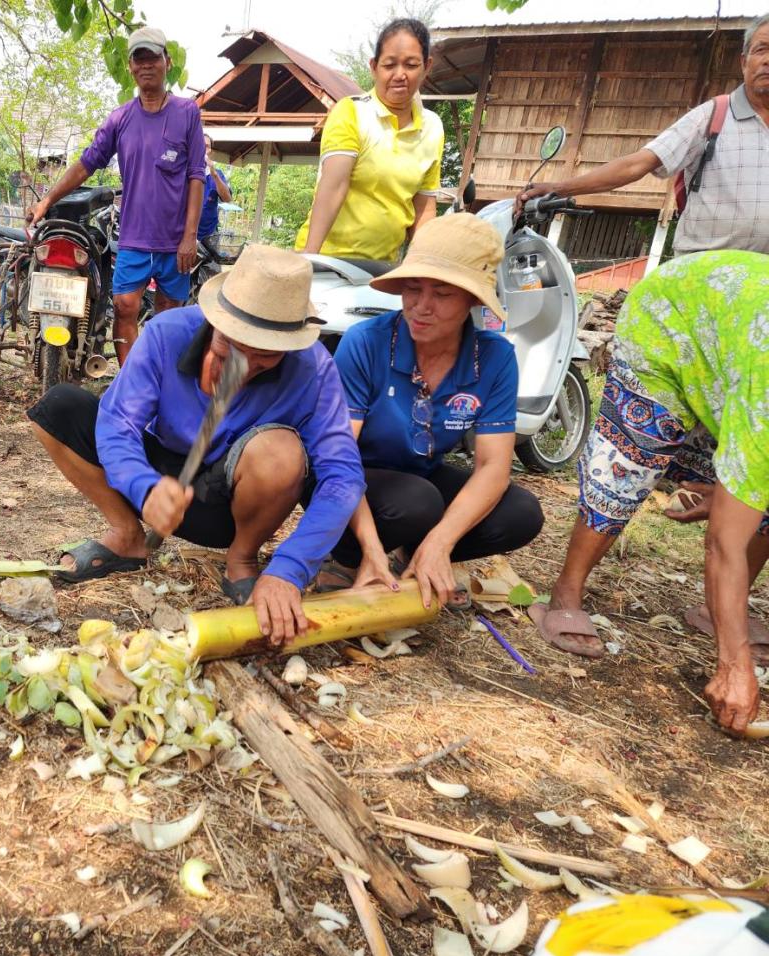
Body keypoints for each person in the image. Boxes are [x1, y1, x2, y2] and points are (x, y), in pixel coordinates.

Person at [26, 246, 365, 645]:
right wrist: (143, 485)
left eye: (263, 356)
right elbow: (118, 423)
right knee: (59, 408)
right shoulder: (167, 333)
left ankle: (241, 558)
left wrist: (290, 568)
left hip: (229, 500)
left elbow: (343, 476)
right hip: (161, 477)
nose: (241, 367)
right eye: (231, 346)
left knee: (281, 451)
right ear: (215, 318)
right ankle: (127, 535)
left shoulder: (313, 368)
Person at [530, 251, 769, 735]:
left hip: (731, 344)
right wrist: (733, 665)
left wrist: (735, 492)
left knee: (756, 503)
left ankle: (721, 611)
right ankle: (565, 593)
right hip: (671, 317)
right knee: (629, 464)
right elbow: (724, 543)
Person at [326, 214, 544, 608]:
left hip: (417, 475)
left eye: (442, 294)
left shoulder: (494, 358)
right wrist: (371, 545)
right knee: (417, 501)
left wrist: (441, 542)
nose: (421, 307)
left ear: (473, 300)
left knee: (520, 513)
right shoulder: (367, 342)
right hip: (349, 475)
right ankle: (346, 559)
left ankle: (416, 558)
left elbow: (493, 466)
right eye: (413, 289)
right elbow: (337, 456)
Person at [27, 27, 206, 366]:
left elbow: (197, 175)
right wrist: (46, 201)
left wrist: (190, 236)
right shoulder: (120, 119)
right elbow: (86, 164)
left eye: (153, 57)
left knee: (169, 313)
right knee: (124, 307)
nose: (146, 65)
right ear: (130, 67)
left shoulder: (187, 113)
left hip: (174, 240)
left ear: (167, 62)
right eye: (139, 59)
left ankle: (162, 380)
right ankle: (131, 380)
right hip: (134, 237)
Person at [517, 16, 769, 255]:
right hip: (705, 270)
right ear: (743, 62)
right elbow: (636, 164)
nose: (767, 59)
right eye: (761, 49)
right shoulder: (713, 115)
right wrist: (558, 188)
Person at [296, 18, 443, 267]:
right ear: (374, 67)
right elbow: (334, 186)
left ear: (426, 67)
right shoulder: (352, 112)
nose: (400, 75)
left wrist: (421, 267)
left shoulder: (433, 128)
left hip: (383, 267)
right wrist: (310, 259)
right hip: (330, 260)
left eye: (411, 65)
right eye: (389, 65)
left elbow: (424, 208)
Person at [198, 135, 232, 249]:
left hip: (210, 235)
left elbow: (227, 198)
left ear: (210, 151)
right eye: (200, 145)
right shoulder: (184, 171)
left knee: (211, 261)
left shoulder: (217, 174)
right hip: (185, 234)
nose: (203, 149)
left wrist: (214, 175)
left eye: (207, 146)